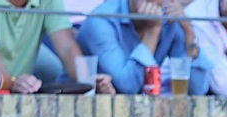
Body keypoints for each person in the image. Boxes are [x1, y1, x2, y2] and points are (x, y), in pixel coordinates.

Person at [78, 0, 212, 94]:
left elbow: (197, 89)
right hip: (80, 106)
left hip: (133, 113)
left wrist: (189, 32)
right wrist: (153, 31)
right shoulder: (101, 20)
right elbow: (128, 87)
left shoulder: (168, 18)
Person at [0, 0, 85, 90]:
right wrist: (10, 82)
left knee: (53, 72)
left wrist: (89, 82)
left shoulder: (49, 2)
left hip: (21, 93)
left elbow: (67, 47)